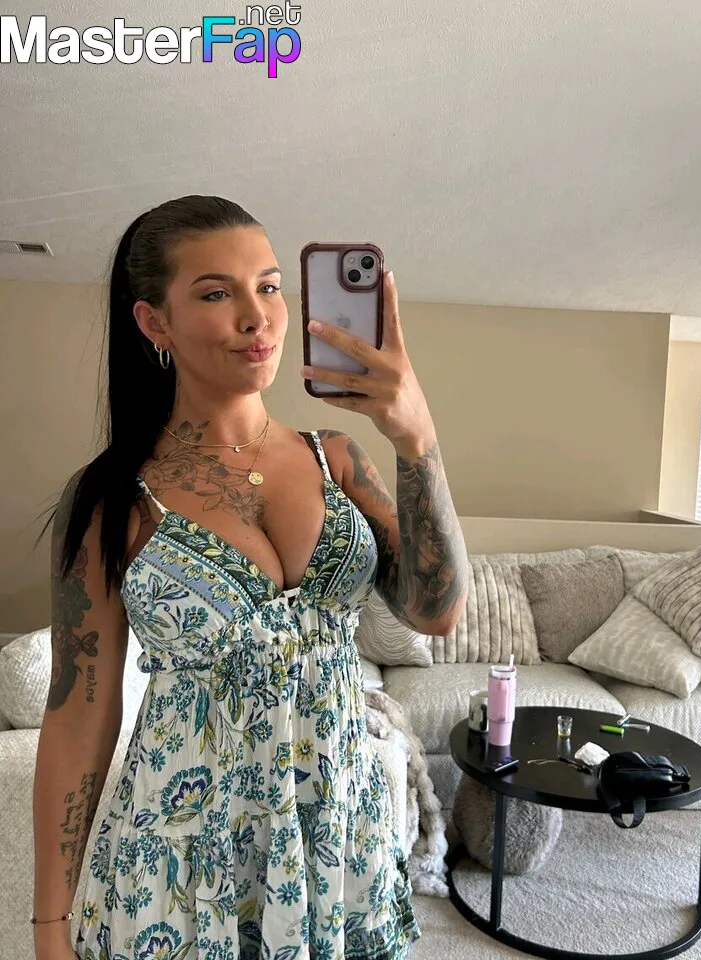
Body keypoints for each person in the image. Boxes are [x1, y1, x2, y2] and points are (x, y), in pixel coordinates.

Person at [31, 195, 469, 960]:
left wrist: (416, 436)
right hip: (182, 849)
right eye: (215, 293)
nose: (256, 316)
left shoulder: (339, 460)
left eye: (269, 286)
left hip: (335, 831)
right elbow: (78, 715)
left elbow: (437, 611)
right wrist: (49, 925)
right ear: (154, 323)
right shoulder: (113, 498)